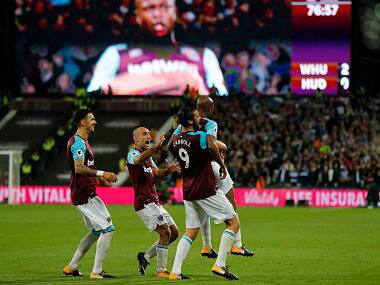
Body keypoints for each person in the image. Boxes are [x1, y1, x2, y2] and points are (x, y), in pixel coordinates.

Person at [87, 0, 227, 96]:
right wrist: (178, 79)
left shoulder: (204, 55)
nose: (158, 14)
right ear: (137, 16)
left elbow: (221, 101)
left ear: (175, 12)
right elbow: (93, 97)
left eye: (165, 7)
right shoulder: (116, 53)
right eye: (149, 8)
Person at [171, 96, 254, 258]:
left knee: (203, 208)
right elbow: (211, 143)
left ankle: (207, 246)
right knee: (231, 202)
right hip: (212, 166)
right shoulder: (209, 123)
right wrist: (222, 152)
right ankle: (237, 244)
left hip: (193, 172)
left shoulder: (182, 126)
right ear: (210, 108)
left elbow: (171, 144)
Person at [169, 106, 240, 280]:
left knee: (190, 232)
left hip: (188, 190)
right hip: (205, 189)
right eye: (197, 116)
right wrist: (222, 164)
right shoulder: (200, 137)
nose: (200, 117)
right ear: (191, 121)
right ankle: (220, 265)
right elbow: (215, 144)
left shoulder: (177, 138)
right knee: (233, 223)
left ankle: (175, 272)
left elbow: (171, 146)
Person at [63, 109, 118, 279]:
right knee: (108, 229)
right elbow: (79, 167)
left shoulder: (83, 141)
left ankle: (71, 267)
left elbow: (85, 168)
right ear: (82, 122)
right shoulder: (78, 143)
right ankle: (96, 271)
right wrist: (102, 173)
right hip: (84, 194)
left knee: (96, 231)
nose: (95, 122)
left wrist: (100, 180)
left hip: (86, 191)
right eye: (92, 119)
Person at [127, 127, 180, 278]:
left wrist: (168, 170)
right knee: (165, 232)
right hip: (144, 203)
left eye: (149, 134)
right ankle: (161, 270)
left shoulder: (149, 158)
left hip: (155, 202)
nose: (148, 136)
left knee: (174, 233)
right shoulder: (132, 154)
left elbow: (157, 173)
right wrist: (156, 147)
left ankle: (146, 257)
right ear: (136, 139)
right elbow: (137, 160)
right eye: (144, 134)